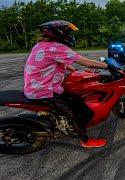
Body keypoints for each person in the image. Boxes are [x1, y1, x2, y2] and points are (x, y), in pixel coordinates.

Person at [24, 20, 111, 148]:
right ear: (59, 33)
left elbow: (54, 61)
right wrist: (108, 65)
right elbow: (87, 63)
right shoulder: (57, 47)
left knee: (75, 99)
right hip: (45, 91)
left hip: (36, 88)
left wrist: (71, 69)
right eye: (68, 32)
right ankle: (85, 140)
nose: (70, 35)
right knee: (79, 112)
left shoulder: (41, 45)